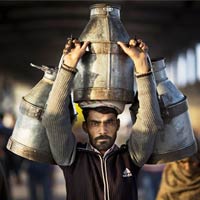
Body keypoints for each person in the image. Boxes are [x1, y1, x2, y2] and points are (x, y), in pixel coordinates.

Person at [42, 38, 163, 200]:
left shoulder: (130, 158)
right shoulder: (71, 158)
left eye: (109, 122)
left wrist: (142, 66)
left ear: (118, 124)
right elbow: (53, 119)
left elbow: (148, 125)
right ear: (85, 127)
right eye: (95, 123)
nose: (103, 129)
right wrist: (68, 66)